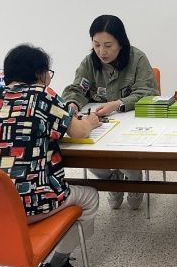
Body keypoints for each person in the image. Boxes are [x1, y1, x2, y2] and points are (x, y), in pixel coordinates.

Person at [0, 44, 101, 267]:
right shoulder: (43, 94)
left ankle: (23, 264)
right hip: (31, 204)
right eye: (48, 74)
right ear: (40, 74)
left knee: (19, 184)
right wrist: (92, 121)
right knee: (90, 197)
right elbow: (79, 131)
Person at [62, 14, 158, 210]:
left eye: (108, 45)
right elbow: (77, 89)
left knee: (127, 159)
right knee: (87, 157)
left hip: (131, 122)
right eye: (96, 44)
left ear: (121, 43)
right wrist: (72, 104)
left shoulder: (137, 58)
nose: (101, 51)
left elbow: (148, 92)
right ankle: (113, 180)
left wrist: (118, 104)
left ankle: (134, 181)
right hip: (99, 123)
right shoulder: (89, 62)